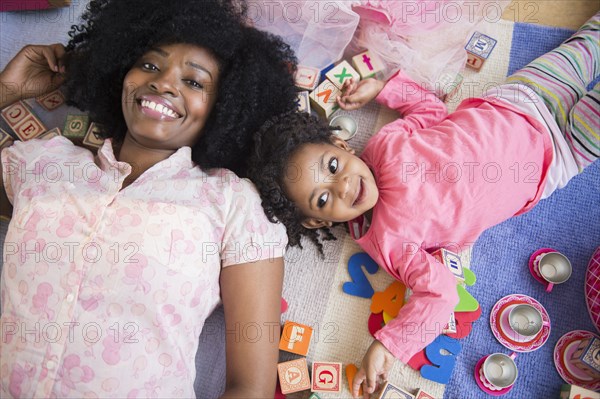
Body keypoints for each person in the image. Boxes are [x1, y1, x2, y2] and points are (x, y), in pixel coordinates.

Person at [248, 13, 599, 398]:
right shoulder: (387, 242)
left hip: (521, 100)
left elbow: (429, 111)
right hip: (558, 158)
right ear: (316, 222)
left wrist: (384, 87)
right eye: (324, 198)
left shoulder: (384, 144)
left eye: (333, 166)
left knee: (587, 48)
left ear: (342, 146)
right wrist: (389, 344)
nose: (344, 185)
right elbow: (440, 294)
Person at [0, 0, 299, 397]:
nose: (163, 83)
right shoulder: (41, 162)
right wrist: (6, 90)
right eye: (149, 66)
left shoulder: (233, 203)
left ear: (225, 108)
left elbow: (251, 388)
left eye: (194, 82)